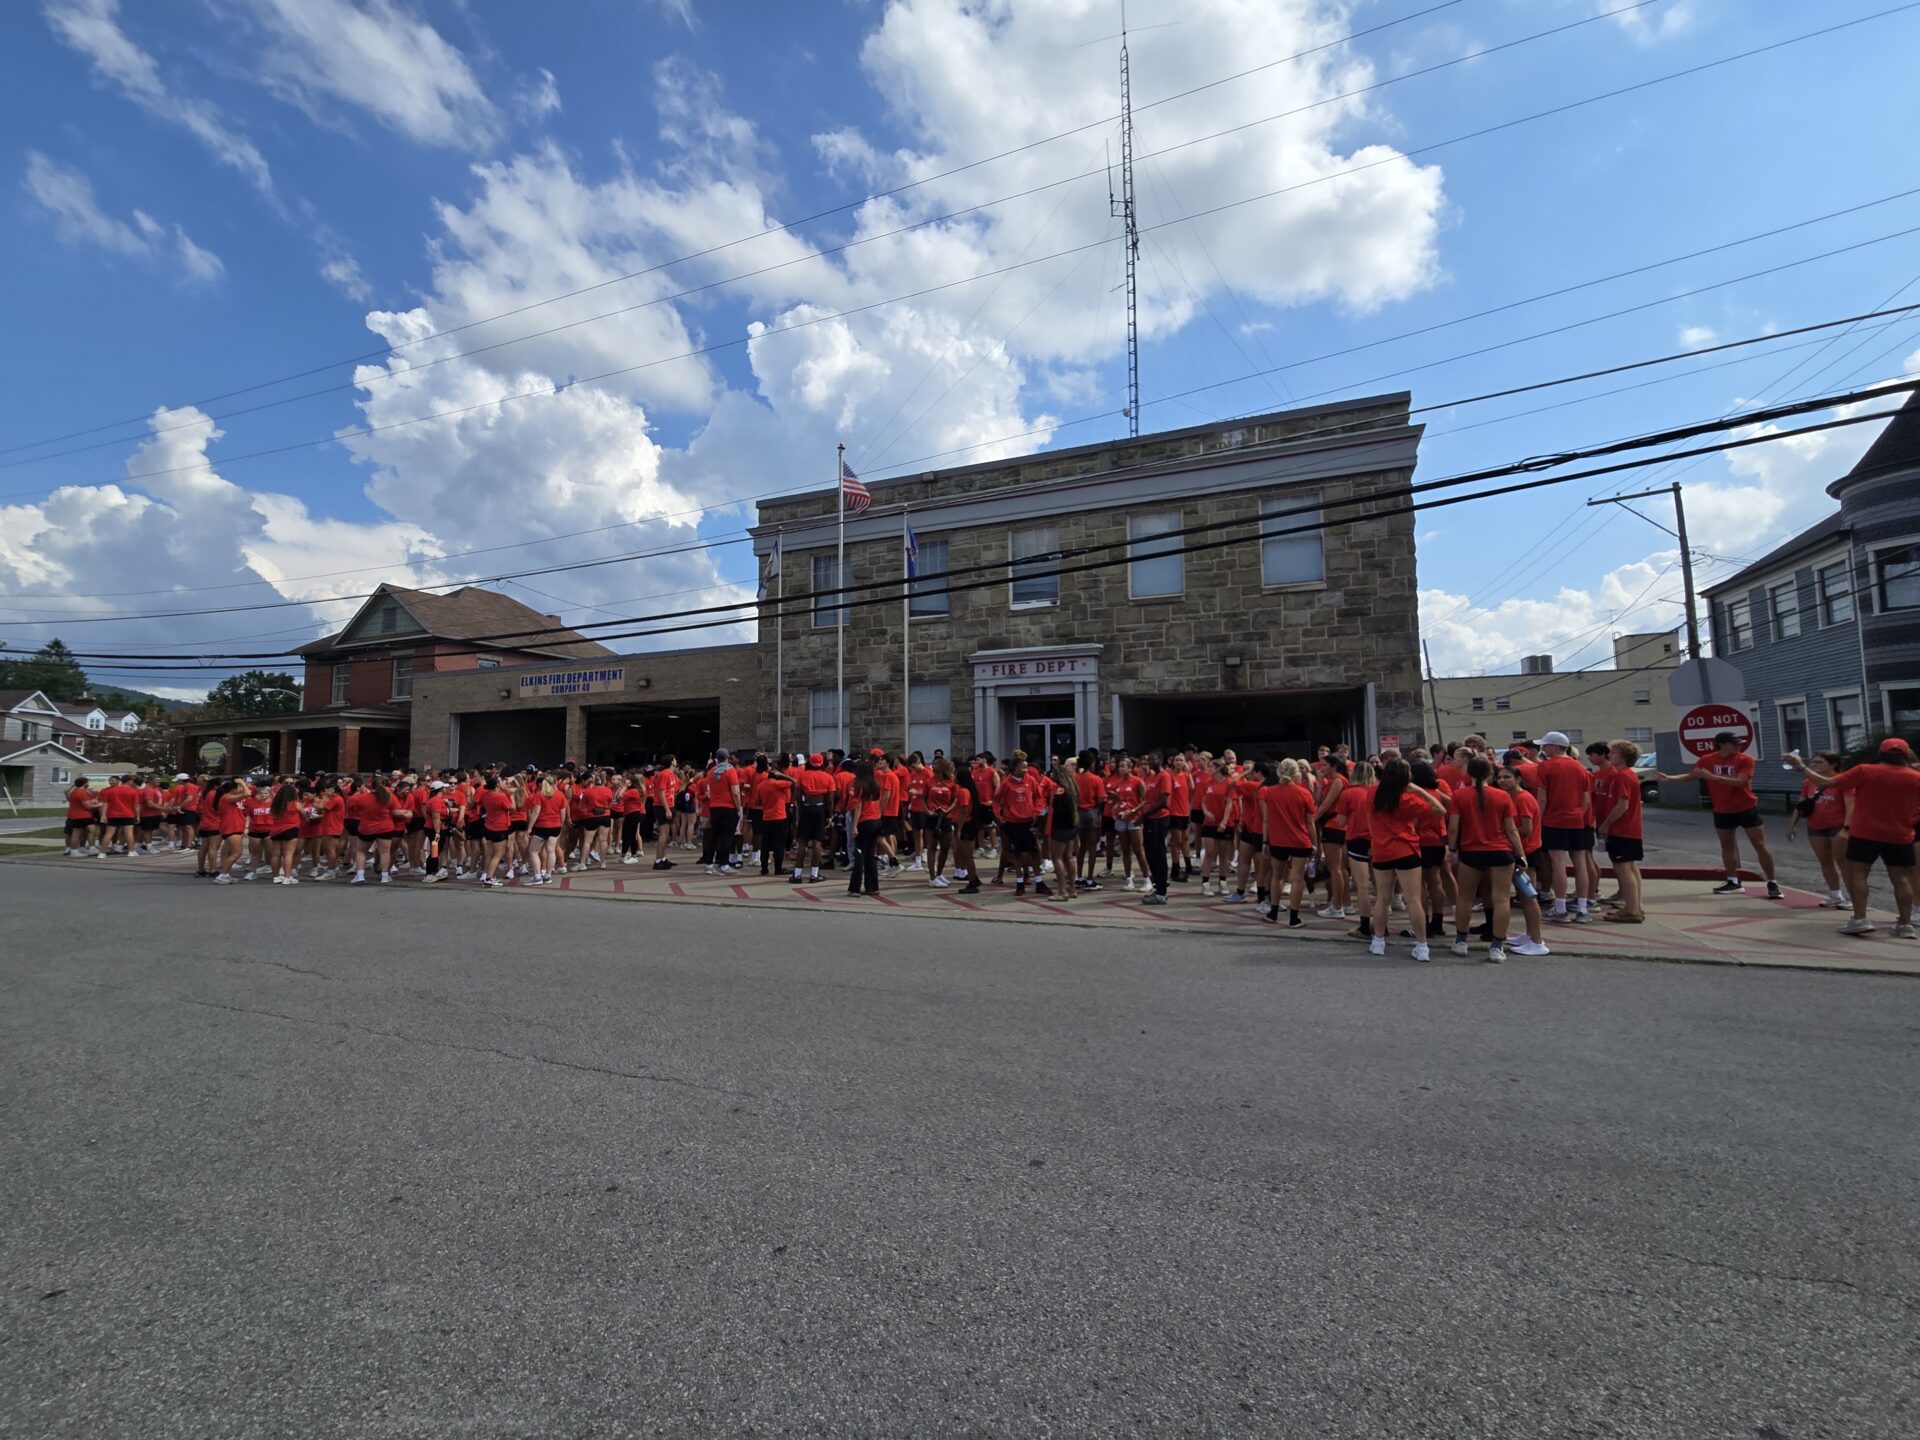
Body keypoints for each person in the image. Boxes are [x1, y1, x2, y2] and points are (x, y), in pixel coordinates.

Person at [1788, 739, 1920, 938]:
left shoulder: (1865, 771)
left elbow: (1828, 782)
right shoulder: (1915, 777)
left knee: (1857, 874)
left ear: (1881, 753)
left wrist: (1801, 766)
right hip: (1900, 834)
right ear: (1905, 754)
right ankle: (1905, 924)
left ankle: (1860, 919)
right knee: (1901, 878)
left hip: (1865, 832)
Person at [1656, 733, 1782, 898]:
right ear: (1722, 744)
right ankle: (1732, 881)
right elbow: (1693, 775)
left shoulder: (1745, 759)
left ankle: (1772, 882)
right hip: (1722, 809)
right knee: (1727, 846)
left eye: (1739, 743)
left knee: (1759, 844)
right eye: (1734, 743)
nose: (1738, 746)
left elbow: (1740, 781)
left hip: (1746, 807)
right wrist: (1670, 778)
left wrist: (1711, 777)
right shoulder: (1707, 759)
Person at [1365, 757, 1447, 961]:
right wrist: (1418, 790)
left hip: (1381, 849)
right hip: (1405, 848)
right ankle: (1422, 945)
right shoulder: (1406, 798)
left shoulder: (1373, 793)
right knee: (1413, 899)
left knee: (1382, 898)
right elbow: (1440, 809)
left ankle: (1378, 941)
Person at [1446, 755, 1523, 962]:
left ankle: (1461, 941)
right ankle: (1497, 946)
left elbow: (1453, 828)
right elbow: (1511, 829)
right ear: (1490, 774)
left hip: (1471, 851)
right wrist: (1521, 853)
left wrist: (1452, 849)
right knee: (1501, 899)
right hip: (1500, 850)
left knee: (1465, 897)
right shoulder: (1502, 796)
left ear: (1468, 773)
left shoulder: (1459, 795)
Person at [1530, 731, 1595, 924]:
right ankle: (1582, 908)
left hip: (1553, 820)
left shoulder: (1546, 766)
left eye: (1546, 745)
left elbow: (1542, 797)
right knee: (1580, 863)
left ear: (1555, 746)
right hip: (1576, 820)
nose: (1543, 749)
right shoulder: (1580, 767)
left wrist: (1538, 820)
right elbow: (1585, 798)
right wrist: (1579, 814)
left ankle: (1561, 909)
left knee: (1558, 864)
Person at [1785, 751, 1850, 908]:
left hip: (1837, 826)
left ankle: (1852, 896)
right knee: (1825, 861)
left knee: (1843, 863)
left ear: (1833, 764)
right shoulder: (1809, 782)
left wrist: (1847, 828)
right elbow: (1801, 805)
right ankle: (1835, 894)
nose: (1815, 765)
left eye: (1820, 762)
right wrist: (1792, 824)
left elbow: (1851, 806)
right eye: (1814, 762)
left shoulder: (1842, 780)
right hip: (1816, 826)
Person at [1595, 740, 1647, 923]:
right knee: (1631, 868)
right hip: (1631, 829)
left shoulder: (1622, 776)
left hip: (1622, 829)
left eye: (1614, 753)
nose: (1609, 755)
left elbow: (1622, 805)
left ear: (1623, 756)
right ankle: (1635, 906)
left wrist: (1606, 824)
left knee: (1623, 869)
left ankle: (1631, 910)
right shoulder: (1628, 775)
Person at [844, 761, 884, 898]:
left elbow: (858, 806)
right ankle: (872, 887)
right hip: (875, 820)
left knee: (859, 855)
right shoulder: (875, 785)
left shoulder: (859, 785)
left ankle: (855, 888)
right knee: (870, 856)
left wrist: (854, 826)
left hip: (865, 821)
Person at [63, 776, 101, 858]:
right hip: (81, 815)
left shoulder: (76, 791)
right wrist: (100, 804)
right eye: (87, 782)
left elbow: (83, 803)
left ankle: (85, 848)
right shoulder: (80, 792)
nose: (88, 784)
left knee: (89, 830)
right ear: (84, 783)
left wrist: (92, 800)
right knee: (79, 832)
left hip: (81, 815)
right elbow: (88, 806)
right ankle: (76, 851)